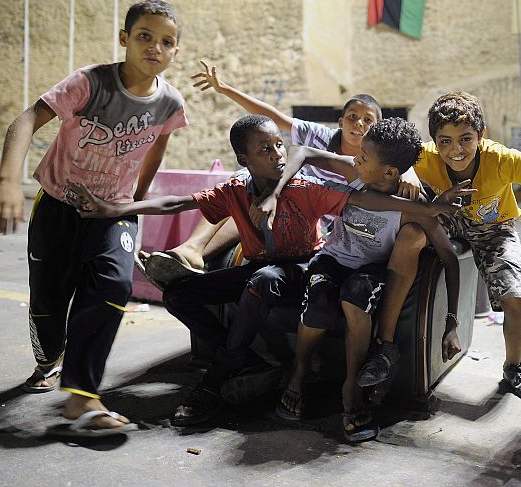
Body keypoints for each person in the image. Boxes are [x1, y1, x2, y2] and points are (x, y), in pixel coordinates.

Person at [67, 115, 461, 427]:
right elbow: (176, 203)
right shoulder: (236, 189)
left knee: (267, 280)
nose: (277, 154)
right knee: (179, 294)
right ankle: (249, 364)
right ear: (244, 160)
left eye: (277, 145)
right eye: (265, 149)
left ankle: (220, 377)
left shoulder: (306, 188)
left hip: (298, 268)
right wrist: (113, 210)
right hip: (264, 266)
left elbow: (363, 199)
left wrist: (426, 207)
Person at [0, 0, 188, 435]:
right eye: (145, 36)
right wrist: (6, 180)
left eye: (166, 42)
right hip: (58, 204)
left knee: (114, 283)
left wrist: (133, 202)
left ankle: (83, 396)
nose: (155, 47)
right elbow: (25, 120)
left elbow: (156, 144)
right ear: (125, 39)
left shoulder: (170, 101)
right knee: (49, 302)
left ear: (176, 51)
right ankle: (48, 358)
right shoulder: (90, 83)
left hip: (111, 211)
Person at [359, 91, 521, 404]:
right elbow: (402, 160)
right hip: (447, 217)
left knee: (516, 300)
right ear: (434, 141)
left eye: (465, 139)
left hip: (494, 229)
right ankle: (385, 346)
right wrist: (409, 173)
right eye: (445, 141)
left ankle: (514, 368)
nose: (455, 150)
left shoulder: (501, 159)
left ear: (481, 135)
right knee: (411, 235)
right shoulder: (426, 156)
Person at [258, 118, 465, 442]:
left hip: (369, 270)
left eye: (364, 157)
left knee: (355, 299)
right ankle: (299, 373)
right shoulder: (355, 173)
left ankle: (351, 389)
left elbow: (450, 258)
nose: (355, 159)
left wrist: (452, 321)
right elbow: (302, 152)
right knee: (319, 307)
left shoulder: (414, 205)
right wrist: (275, 191)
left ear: (389, 172)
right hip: (331, 259)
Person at [140, 60, 421, 285]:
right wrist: (225, 89)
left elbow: (401, 159)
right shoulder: (320, 136)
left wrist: (410, 172)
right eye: (352, 117)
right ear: (340, 121)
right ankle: (190, 251)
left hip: (329, 219)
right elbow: (273, 117)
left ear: (378, 128)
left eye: (368, 120)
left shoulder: (381, 161)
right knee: (241, 186)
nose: (359, 124)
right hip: (298, 201)